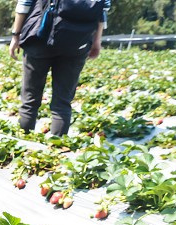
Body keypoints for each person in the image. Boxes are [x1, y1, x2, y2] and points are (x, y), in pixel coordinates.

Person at [9, 0, 109, 136]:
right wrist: (96, 41)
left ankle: (21, 145)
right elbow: (102, 11)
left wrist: (16, 35)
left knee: (30, 100)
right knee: (62, 103)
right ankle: (57, 148)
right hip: (76, 42)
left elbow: (25, 3)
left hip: (40, 37)